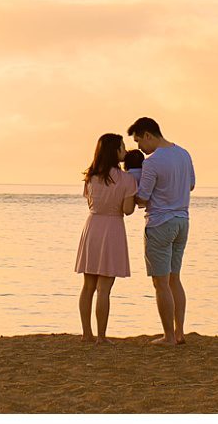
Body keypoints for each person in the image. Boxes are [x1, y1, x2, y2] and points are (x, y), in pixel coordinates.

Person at [127, 116, 195, 345]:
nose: (139, 148)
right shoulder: (184, 153)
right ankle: (180, 332)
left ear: (147, 135)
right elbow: (191, 185)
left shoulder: (152, 162)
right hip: (182, 220)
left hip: (159, 223)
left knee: (161, 282)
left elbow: (143, 198)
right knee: (175, 278)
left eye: (138, 141)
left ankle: (168, 336)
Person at [74, 133, 138, 343]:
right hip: (112, 228)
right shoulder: (126, 179)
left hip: (92, 227)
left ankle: (86, 334)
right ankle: (101, 336)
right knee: (104, 289)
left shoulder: (91, 177)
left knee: (88, 286)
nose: (125, 151)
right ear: (114, 151)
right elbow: (128, 210)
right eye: (122, 147)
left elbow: (90, 202)